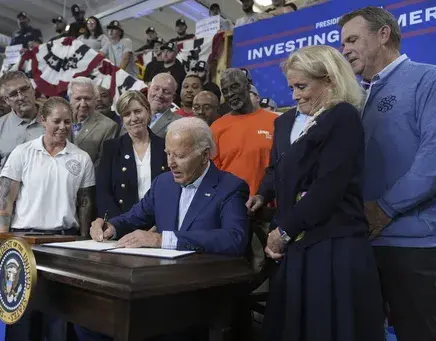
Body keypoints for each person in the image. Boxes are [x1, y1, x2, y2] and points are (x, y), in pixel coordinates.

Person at [255, 45, 384, 341]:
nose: (295, 95)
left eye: (302, 86)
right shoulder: (318, 122)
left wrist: (283, 231)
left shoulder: (342, 116)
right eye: (292, 87)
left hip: (332, 251)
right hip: (310, 249)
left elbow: (329, 187)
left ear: (330, 80)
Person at [339, 7, 436, 340]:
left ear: (383, 35)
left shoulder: (428, 79)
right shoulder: (356, 98)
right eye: (342, 43)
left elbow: (432, 158)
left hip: (415, 244)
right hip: (364, 242)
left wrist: (384, 209)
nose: (345, 49)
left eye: (352, 39)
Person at [0, 97, 94, 341]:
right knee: (19, 311)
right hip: (22, 239)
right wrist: (2, 236)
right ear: (43, 120)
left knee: (58, 313)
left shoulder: (81, 158)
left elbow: (85, 203)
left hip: (64, 241)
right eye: (57, 121)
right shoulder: (22, 152)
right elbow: (6, 200)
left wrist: (83, 240)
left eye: (68, 122)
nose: (63, 127)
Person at [91, 116, 249, 255]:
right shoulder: (163, 183)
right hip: (161, 278)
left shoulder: (230, 187)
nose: (170, 163)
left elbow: (234, 238)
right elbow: (132, 218)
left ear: (205, 155)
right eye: (168, 153)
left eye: (180, 156)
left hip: (206, 279)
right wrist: (111, 227)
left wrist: (162, 240)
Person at [0, 71, 44, 237]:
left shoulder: (56, 120)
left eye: (24, 89)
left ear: (33, 89)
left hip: (46, 204)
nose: (21, 97)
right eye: (13, 94)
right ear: (7, 100)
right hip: (6, 206)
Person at [97, 90, 168, 219]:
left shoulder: (165, 146)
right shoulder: (111, 148)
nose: (133, 118)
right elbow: (104, 194)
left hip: (158, 225)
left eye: (138, 111)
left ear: (148, 112)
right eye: (127, 114)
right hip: (122, 226)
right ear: (122, 119)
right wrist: (120, 225)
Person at [211, 68, 277, 196]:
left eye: (234, 87)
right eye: (225, 91)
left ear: (247, 87)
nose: (230, 94)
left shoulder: (275, 121)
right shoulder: (216, 127)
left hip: (268, 204)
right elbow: (213, 175)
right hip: (230, 205)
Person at [69, 77, 119, 166]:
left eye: (87, 99)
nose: (83, 104)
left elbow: (102, 164)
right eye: (78, 99)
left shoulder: (108, 127)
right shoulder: (60, 121)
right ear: (70, 99)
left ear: (94, 100)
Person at [148, 73, 182, 138]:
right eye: (156, 89)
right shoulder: (132, 114)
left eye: (166, 92)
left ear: (173, 97)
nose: (159, 95)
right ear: (149, 89)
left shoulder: (178, 123)